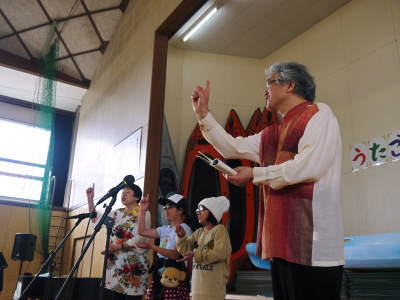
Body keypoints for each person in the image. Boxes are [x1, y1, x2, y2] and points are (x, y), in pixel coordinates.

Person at [191, 62, 344, 300]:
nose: (265, 91)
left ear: (290, 84)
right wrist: (203, 115)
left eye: (269, 83)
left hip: (315, 245)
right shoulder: (272, 133)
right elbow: (233, 147)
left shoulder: (319, 114)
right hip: (282, 241)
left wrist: (255, 175)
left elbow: (309, 167)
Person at [87, 182, 151, 300]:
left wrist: (118, 247)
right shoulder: (117, 212)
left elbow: (141, 237)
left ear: (137, 197)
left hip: (133, 265)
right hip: (115, 266)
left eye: (127, 192)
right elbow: (96, 220)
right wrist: (90, 200)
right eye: (122, 193)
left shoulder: (144, 213)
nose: (123, 195)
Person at [175, 196, 232, 300]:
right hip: (197, 289)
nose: (198, 213)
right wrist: (181, 237)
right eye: (197, 210)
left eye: (201, 209)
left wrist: (195, 254)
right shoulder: (199, 232)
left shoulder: (220, 230)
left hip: (213, 290)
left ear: (212, 211)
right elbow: (184, 250)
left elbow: (220, 253)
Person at [137, 192, 192, 300]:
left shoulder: (184, 228)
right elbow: (142, 231)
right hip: (161, 272)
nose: (165, 210)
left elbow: (175, 255)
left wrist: (152, 246)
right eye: (165, 207)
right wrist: (142, 210)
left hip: (175, 274)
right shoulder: (165, 229)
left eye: (169, 207)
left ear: (180, 210)